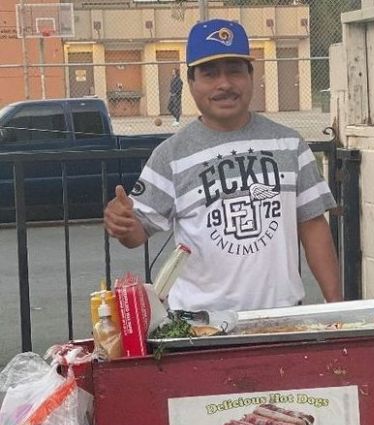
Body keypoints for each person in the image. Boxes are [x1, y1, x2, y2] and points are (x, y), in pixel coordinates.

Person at [103, 18, 341, 314]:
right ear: (191, 83)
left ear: (251, 76)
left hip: (281, 319)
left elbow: (313, 226)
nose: (224, 84)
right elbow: (137, 232)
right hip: (199, 326)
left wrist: (336, 306)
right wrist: (122, 223)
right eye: (210, 73)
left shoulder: (290, 145)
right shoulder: (171, 155)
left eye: (235, 71)